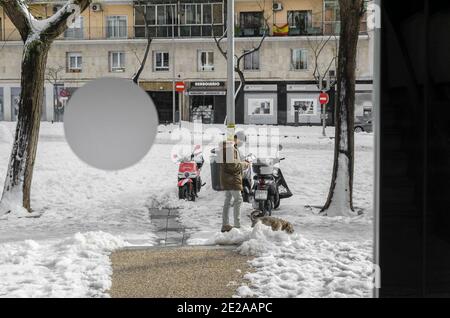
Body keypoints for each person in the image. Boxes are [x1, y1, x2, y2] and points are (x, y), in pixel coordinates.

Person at [220, 132, 248, 232]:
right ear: (237, 139)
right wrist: (245, 164)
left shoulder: (227, 147)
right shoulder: (230, 148)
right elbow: (233, 166)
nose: (242, 144)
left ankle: (225, 224)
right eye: (242, 141)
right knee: (238, 199)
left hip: (227, 178)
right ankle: (237, 225)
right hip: (232, 178)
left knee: (227, 200)